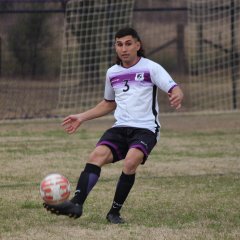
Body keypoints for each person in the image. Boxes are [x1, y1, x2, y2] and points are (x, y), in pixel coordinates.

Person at [43, 27, 184, 224]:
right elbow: (109, 103)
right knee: (96, 156)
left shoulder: (151, 68)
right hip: (120, 127)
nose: (123, 49)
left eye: (128, 43)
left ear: (137, 45)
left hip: (146, 128)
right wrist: (82, 117)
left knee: (130, 162)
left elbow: (173, 87)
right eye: (119, 44)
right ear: (115, 47)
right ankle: (76, 203)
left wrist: (177, 93)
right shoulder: (112, 73)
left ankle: (114, 212)